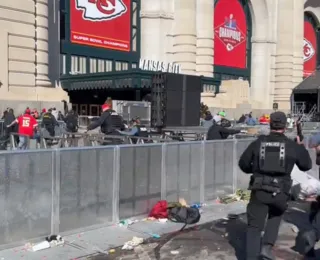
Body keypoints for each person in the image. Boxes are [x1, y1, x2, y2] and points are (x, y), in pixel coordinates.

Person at [238, 111, 312, 260]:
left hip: (259, 190)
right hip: (280, 192)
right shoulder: (292, 146)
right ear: (285, 126)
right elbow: (306, 165)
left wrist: (255, 171)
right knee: (276, 214)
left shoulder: (258, 143)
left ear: (269, 124)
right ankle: (266, 248)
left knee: (254, 227)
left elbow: (243, 164)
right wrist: (301, 146)